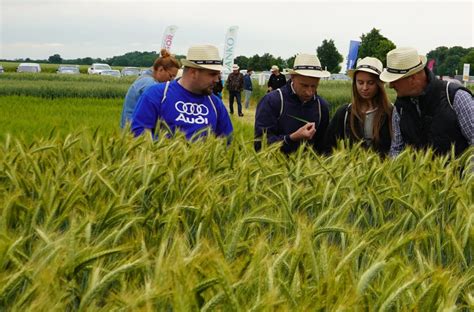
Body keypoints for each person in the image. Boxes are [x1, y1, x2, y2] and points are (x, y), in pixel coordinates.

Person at [379, 47, 473, 157]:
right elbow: (397, 149)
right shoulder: (399, 108)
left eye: (395, 80)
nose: (391, 85)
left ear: (413, 78)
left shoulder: (456, 97)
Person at [131, 44, 233, 140]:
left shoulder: (215, 103)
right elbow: (138, 133)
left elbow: (227, 140)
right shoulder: (157, 94)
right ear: (193, 72)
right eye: (212, 74)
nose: (217, 80)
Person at [254, 53, 330, 154]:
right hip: (274, 167)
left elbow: (323, 148)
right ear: (293, 77)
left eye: (314, 86)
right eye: (304, 85)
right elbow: (260, 145)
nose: (309, 92)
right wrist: (292, 138)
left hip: (309, 168)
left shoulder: (322, 107)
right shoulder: (272, 101)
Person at [324, 57, 393, 156]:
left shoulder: (391, 113)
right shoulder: (344, 113)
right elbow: (328, 148)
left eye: (370, 83)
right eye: (360, 82)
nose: (364, 88)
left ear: (379, 84)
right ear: (354, 83)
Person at [120, 49, 180, 128]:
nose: (171, 80)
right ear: (160, 69)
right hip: (135, 132)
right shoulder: (150, 85)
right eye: (170, 76)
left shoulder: (144, 78)